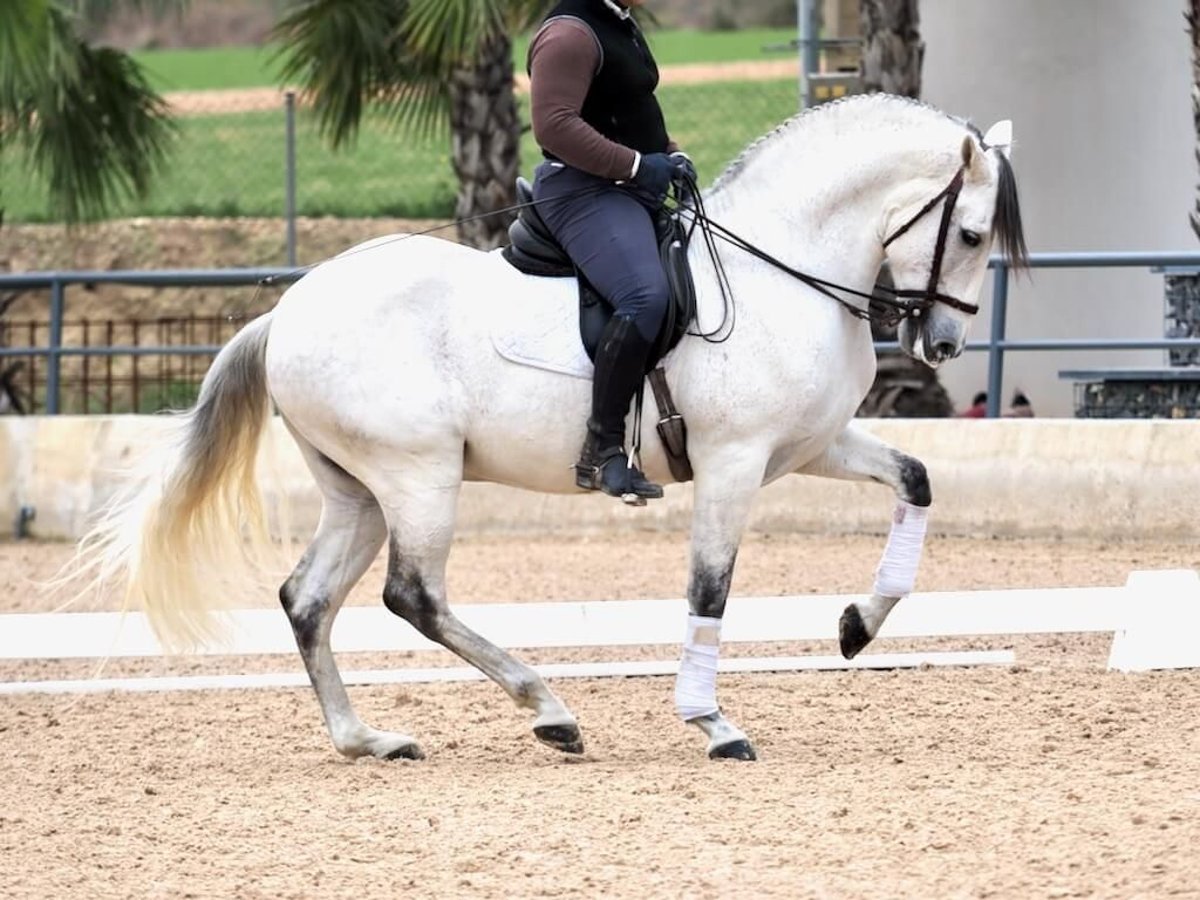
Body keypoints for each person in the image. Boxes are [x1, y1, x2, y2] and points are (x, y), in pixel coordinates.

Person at [528, 0, 695, 503]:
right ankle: (602, 448)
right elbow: (554, 124)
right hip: (583, 192)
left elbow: (628, 108)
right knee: (645, 295)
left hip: (623, 187)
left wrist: (669, 152)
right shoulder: (570, 34)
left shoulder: (616, 21)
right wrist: (638, 166)